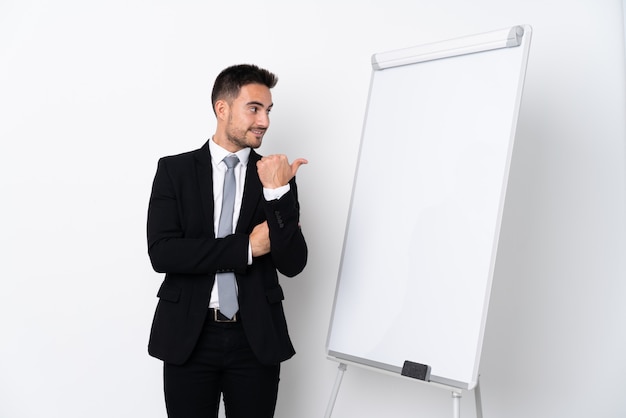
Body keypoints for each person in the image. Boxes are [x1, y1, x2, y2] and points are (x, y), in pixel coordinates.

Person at [146, 64, 308, 418]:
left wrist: (278, 192)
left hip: (255, 338)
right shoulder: (175, 171)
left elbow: (293, 263)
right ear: (222, 109)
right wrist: (246, 248)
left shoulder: (275, 175)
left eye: (268, 111)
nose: (264, 121)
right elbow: (164, 252)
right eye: (254, 108)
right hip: (190, 334)